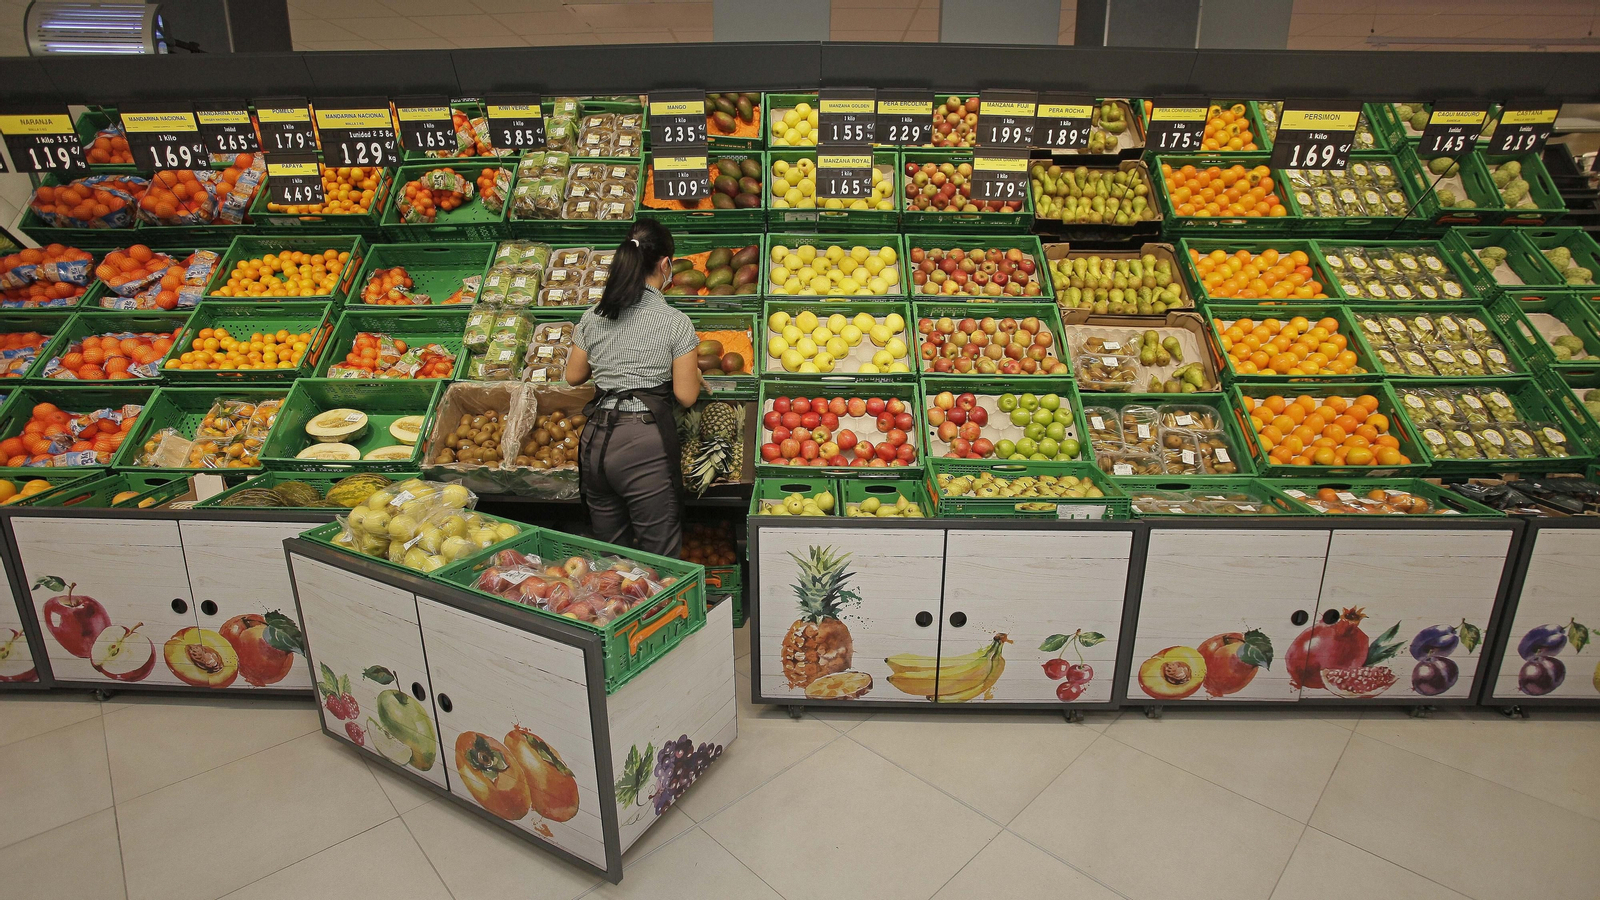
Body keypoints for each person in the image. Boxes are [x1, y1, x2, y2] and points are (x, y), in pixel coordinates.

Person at [565, 219, 703, 557]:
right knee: (660, 558)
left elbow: (573, 376)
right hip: (643, 446)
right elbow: (686, 396)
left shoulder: (595, 314)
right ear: (666, 265)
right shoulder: (673, 321)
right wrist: (693, 373)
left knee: (611, 562)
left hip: (596, 441)